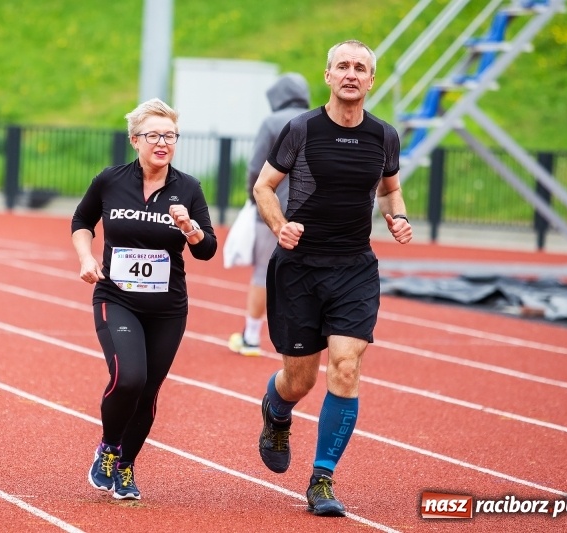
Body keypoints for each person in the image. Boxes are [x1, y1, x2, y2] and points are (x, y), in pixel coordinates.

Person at [252, 40, 412, 517]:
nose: (351, 73)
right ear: (327, 75)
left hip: (354, 267)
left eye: (360, 68)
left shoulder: (384, 136)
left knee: (345, 366)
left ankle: (322, 478)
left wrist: (396, 216)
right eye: (342, 65)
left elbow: (391, 189)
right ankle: (277, 412)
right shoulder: (299, 129)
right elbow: (263, 186)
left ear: (371, 80)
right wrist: (282, 228)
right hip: (300, 268)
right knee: (299, 381)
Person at [71, 98, 217, 500]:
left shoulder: (188, 187)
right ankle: (108, 448)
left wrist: (190, 229)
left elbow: (207, 250)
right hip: (117, 298)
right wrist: (86, 257)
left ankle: (127, 465)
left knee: (149, 391)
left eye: (170, 136)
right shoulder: (110, 180)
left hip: (167, 308)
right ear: (135, 140)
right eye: (153, 135)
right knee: (129, 378)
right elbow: (82, 220)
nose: (162, 143)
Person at [228, 73, 311, 357]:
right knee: (308, 275)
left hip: (274, 209)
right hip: (311, 212)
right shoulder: (318, 120)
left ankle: (251, 337)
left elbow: (256, 167)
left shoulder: (273, 122)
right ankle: (304, 340)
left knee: (265, 271)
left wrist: (254, 199)